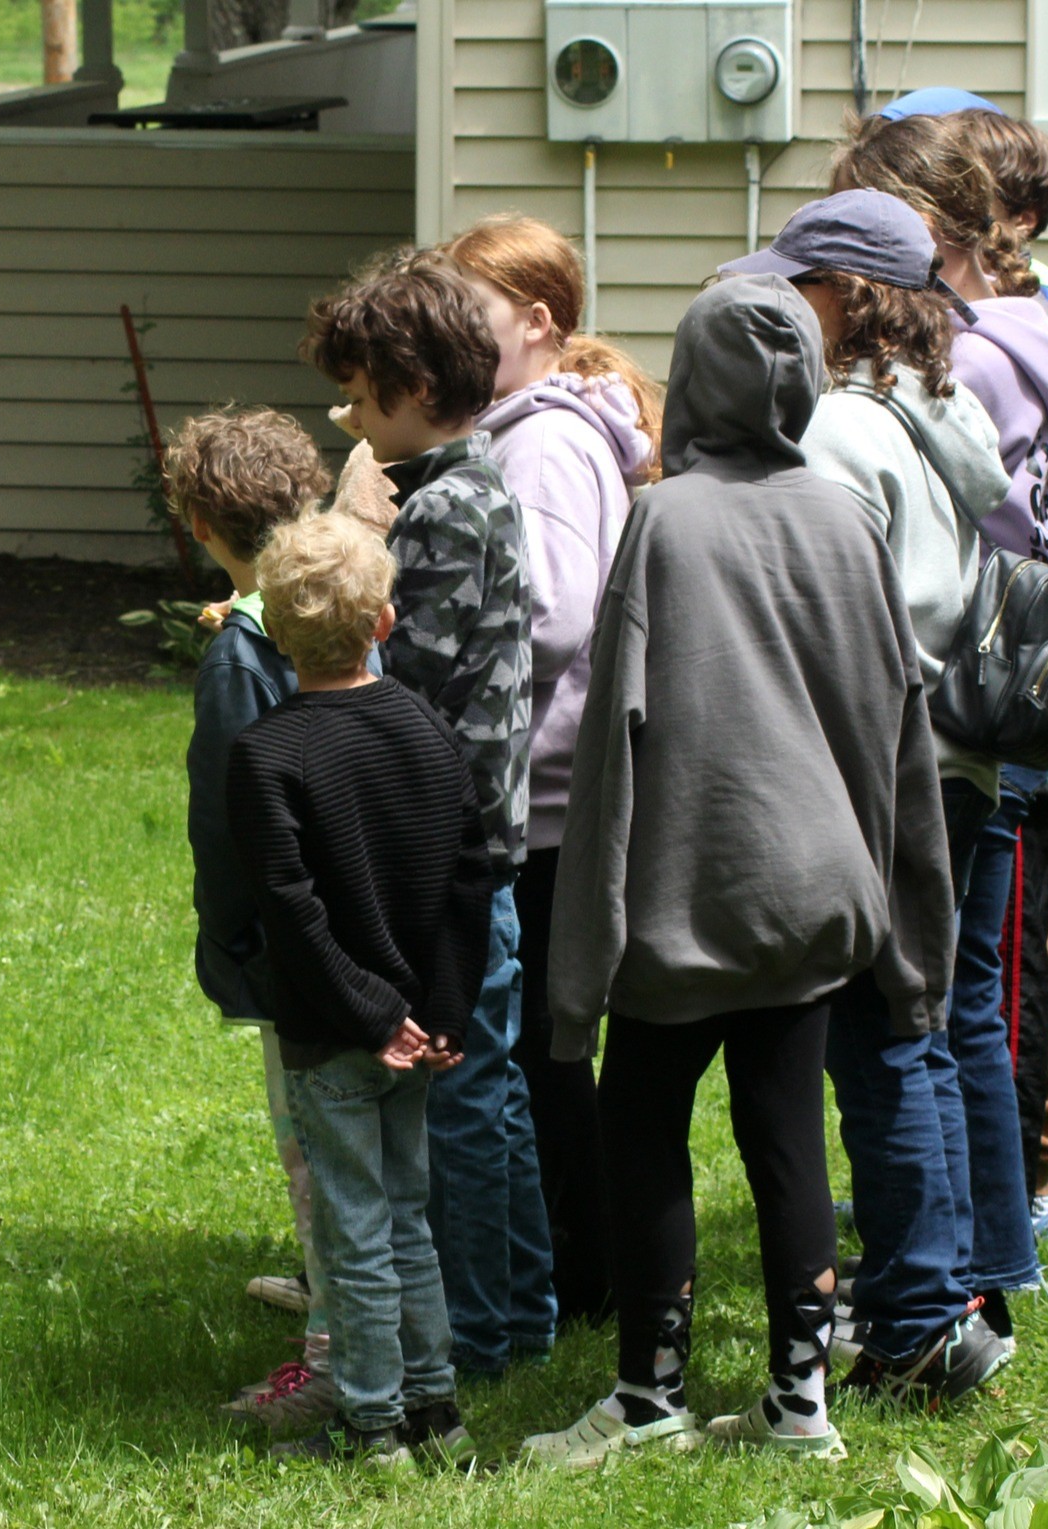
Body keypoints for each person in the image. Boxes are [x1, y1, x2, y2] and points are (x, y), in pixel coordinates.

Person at [525, 276, 955, 1468]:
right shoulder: (843, 519)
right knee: (786, 1132)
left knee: (643, 1123)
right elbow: (894, 726)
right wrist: (910, 920)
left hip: (687, 893)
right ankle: (797, 1402)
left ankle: (649, 1398)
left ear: (692, 383)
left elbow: (613, 729)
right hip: (818, 891)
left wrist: (584, 940)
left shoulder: (664, 520)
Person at [720, 189, 1015, 1402]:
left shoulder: (841, 431)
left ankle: (907, 1322)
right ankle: (942, 1297)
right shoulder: (942, 411)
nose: (781, 305)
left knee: (880, 1041)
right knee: (923, 1030)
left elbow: (837, 625)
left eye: (797, 285)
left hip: (878, 764)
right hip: (951, 763)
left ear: (841, 298)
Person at [832, 113, 1048, 1345]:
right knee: (976, 990)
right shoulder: (1035, 337)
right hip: (1019, 693)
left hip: (958, 699)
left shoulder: (961, 361)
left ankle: (951, 1271)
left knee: (943, 1005)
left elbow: (946, 540)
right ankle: (995, 1247)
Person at [302, 257, 554, 1381]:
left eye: (356, 396)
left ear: (409, 384)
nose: (346, 418)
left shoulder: (445, 509)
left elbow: (396, 681)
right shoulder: (464, 482)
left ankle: (490, 1325)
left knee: (462, 1097)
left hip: (447, 853)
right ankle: (517, 1307)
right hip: (463, 841)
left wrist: (346, 539)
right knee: (480, 1087)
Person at [224, 511, 494, 1468]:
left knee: (355, 1237)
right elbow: (472, 878)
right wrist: (443, 1012)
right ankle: (439, 1412)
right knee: (411, 1220)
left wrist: (373, 1017)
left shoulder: (267, 755)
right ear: (383, 622)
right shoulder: (427, 728)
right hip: (423, 1027)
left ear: (272, 633)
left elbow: (292, 916)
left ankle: (373, 1424)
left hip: (340, 1034)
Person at [440, 214, 659, 1330]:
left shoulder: (540, 442)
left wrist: (441, 656)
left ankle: (580, 1269)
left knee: (535, 1047)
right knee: (539, 1041)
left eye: (467, 311)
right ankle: (573, 1262)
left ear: (537, 321)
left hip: (547, 794)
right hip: (551, 786)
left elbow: (558, 610)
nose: (446, 332)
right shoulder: (536, 426)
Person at [167, 407, 341, 1432]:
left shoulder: (242, 655)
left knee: (314, 1151)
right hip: (355, 927)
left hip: (289, 947)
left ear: (199, 522)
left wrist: (229, 940)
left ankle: (331, 1353)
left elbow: (233, 826)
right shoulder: (340, 603)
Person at [949, 106, 1048, 1242]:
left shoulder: (1007, 335)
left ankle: (1020, 1186)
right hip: (994, 663)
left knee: (1015, 945)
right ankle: (980, 1174)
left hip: (1008, 672)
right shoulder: (1001, 327)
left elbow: (1046, 516)